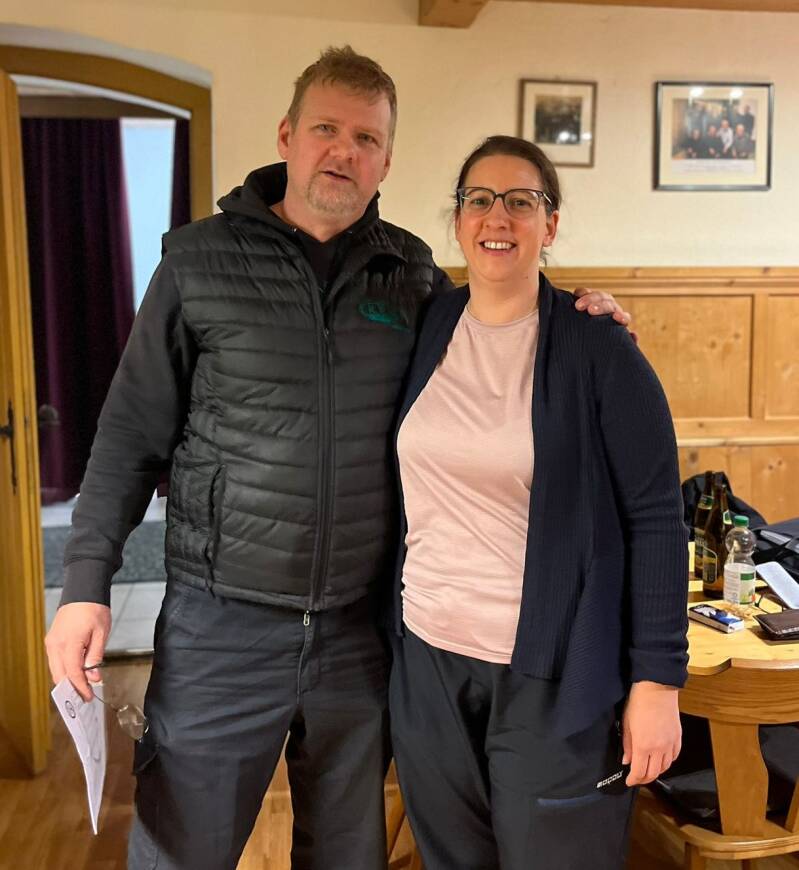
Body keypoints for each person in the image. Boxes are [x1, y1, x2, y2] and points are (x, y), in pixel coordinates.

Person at [43, 49, 628, 870]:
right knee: (181, 851)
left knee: (348, 855)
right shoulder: (196, 262)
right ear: (287, 136)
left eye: (366, 138)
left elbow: (498, 329)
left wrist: (580, 315)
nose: (343, 152)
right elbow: (127, 438)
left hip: (360, 634)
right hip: (221, 630)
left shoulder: (410, 274)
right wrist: (84, 585)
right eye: (326, 129)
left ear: (386, 159)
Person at [388, 135, 688, 870]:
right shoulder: (426, 325)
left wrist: (658, 681)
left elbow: (656, 518)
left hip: (550, 675)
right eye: (480, 199)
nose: (498, 217)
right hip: (427, 659)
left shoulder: (598, 348)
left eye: (520, 201)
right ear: (458, 219)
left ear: (549, 224)